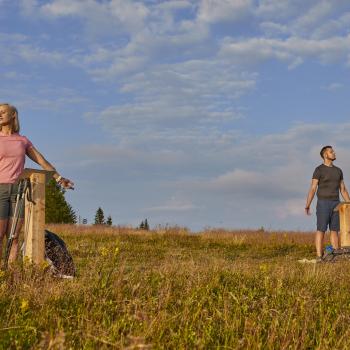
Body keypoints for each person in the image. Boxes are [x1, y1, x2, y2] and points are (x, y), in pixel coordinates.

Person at [0, 103, 74, 264]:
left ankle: (11, 277)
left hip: (19, 192)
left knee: (13, 237)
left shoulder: (22, 140)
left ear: (13, 115)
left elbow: (42, 161)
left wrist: (59, 178)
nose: (0, 114)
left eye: (3, 111)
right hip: (0, 190)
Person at [305, 145, 350, 260]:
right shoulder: (318, 170)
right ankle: (319, 257)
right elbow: (313, 188)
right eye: (331, 152)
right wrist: (308, 204)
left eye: (333, 151)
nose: (334, 153)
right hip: (323, 203)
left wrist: (349, 203)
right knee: (321, 230)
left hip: (336, 203)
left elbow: (343, 189)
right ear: (325, 155)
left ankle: (335, 256)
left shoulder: (338, 171)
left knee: (335, 230)